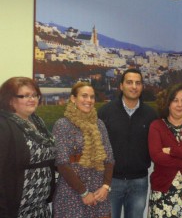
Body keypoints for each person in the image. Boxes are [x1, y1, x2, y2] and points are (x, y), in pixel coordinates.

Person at [98, 68, 158, 218]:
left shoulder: (151, 115)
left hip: (139, 181)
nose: (134, 86)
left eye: (138, 83)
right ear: (121, 86)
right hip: (111, 181)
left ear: (142, 87)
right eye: (129, 82)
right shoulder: (105, 112)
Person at [52, 82, 115, 218]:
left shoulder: (99, 124)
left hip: (99, 194)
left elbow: (109, 158)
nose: (89, 100)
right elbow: (62, 163)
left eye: (92, 97)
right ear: (73, 98)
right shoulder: (62, 125)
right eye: (84, 96)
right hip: (72, 194)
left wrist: (106, 186)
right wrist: (84, 192)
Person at [0, 77, 55, 217]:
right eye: (25, 96)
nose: (32, 99)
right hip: (16, 209)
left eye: (34, 95)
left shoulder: (38, 122)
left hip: (40, 206)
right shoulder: (4, 125)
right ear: (10, 99)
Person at [148, 83, 182, 218]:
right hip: (163, 192)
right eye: (175, 100)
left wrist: (172, 151)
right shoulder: (157, 126)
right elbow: (157, 157)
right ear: (168, 103)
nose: (180, 105)